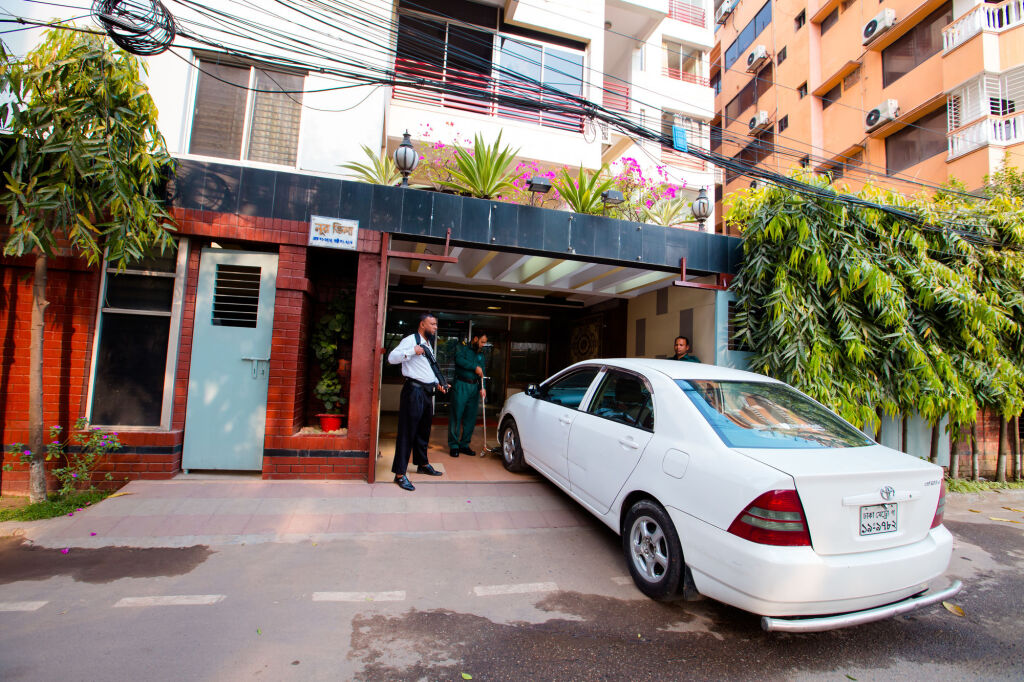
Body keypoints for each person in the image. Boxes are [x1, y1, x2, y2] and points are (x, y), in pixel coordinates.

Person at [388, 312, 447, 491]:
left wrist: (437, 383)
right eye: (432, 324)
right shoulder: (410, 340)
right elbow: (391, 358)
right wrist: (412, 351)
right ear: (422, 324)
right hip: (413, 391)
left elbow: (426, 369)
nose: (435, 327)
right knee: (407, 432)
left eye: (436, 324)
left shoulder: (428, 343)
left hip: (426, 392)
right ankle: (400, 474)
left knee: (424, 431)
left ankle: (422, 464)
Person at [448, 330, 487, 457]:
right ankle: (454, 445)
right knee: (456, 415)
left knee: (470, 418)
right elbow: (459, 360)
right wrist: (474, 367)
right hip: (461, 385)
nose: (483, 345)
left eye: (485, 343)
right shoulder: (462, 348)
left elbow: (482, 372)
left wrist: (483, 387)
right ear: (475, 339)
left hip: (474, 387)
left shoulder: (481, 354)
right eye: (482, 342)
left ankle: (464, 445)